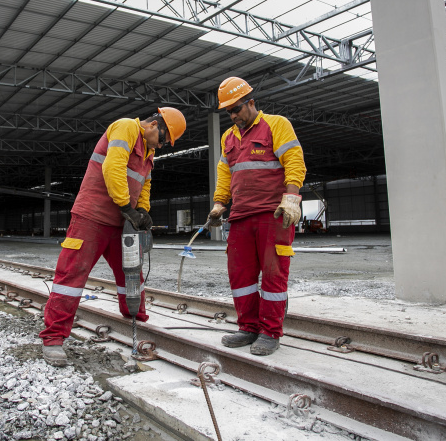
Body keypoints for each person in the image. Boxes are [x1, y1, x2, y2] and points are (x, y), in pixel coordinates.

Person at [40, 107, 187, 366]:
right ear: (154, 125)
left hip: (121, 222)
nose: (162, 145)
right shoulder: (126, 127)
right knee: (72, 275)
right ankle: (53, 338)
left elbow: (145, 184)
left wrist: (142, 210)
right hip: (92, 217)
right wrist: (126, 207)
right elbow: (113, 166)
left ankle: (135, 318)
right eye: (163, 140)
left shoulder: (149, 153)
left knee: (131, 272)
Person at [208, 77, 306, 356]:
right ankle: (247, 327)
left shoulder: (277, 125)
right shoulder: (228, 138)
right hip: (240, 216)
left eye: (237, 108)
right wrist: (219, 204)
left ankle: (270, 332)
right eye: (228, 111)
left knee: (274, 275)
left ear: (251, 102)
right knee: (241, 276)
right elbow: (225, 174)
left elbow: (294, 161)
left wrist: (291, 198)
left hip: (272, 214)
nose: (233, 115)